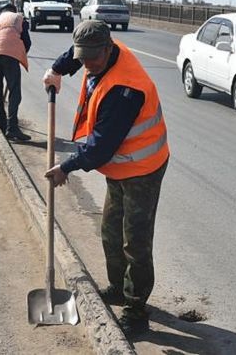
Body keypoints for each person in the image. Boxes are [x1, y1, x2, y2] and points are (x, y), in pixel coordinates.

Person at [42, 20, 170, 336]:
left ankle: (136, 312)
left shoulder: (126, 89)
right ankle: (117, 287)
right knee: (110, 229)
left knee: (134, 241)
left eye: (92, 60)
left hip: (143, 167)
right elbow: (76, 54)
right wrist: (57, 70)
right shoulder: (94, 50)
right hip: (120, 165)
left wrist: (65, 168)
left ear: (109, 49)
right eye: (82, 58)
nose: (87, 65)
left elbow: (101, 147)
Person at [0, 3, 32, 140]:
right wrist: (18, 54)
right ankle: (12, 128)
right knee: (14, 91)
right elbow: (27, 42)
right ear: (13, 11)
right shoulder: (19, 18)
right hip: (10, 55)